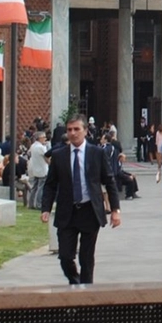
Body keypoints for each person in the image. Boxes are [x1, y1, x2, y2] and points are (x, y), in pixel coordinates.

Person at [39, 116, 123, 285]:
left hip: (89, 210)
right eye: (69, 130)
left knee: (86, 257)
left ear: (85, 131)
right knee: (65, 256)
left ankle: (86, 294)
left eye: (77, 129)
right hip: (67, 212)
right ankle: (75, 282)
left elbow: (109, 181)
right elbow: (50, 185)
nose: (73, 133)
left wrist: (115, 210)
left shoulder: (97, 153)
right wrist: (46, 208)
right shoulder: (59, 155)